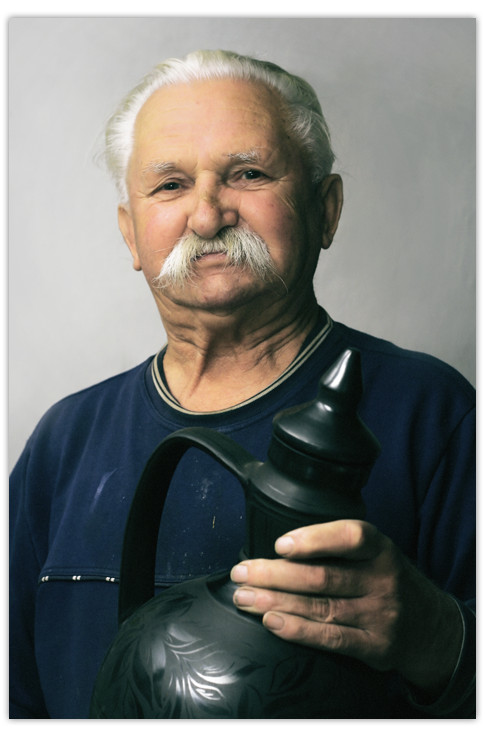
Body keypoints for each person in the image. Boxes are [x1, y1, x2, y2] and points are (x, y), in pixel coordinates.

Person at [9, 49, 475, 719]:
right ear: (131, 235)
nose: (207, 217)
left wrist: (436, 636)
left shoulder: (435, 415)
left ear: (325, 210)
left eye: (248, 174)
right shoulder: (65, 441)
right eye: (170, 185)